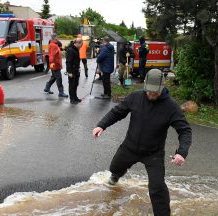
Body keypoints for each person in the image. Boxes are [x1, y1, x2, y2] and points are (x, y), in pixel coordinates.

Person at [92, 69, 192, 216]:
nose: (151, 94)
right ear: (144, 85)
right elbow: (117, 112)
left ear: (162, 86)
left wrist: (181, 152)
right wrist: (102, 125)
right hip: (129, 147)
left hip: (153, 154)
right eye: (148, 91)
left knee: (157, 188)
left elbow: (185, 130)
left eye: (155, 92)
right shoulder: (135, 97)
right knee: (115, 168)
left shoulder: (171, 107)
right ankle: (115, 177)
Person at [43, 33, 68, 97]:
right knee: (59, 78)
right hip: (55, 65)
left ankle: (47, 87)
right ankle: (61, 92)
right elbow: (52, 56)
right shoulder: (54, 46)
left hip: (54, 64)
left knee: (54, 77)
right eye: (57, 37)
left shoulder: (52, 44)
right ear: (56, 37)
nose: (58, 38)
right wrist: (51, 64)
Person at [66, 38, 83, 104]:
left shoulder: (76, 49)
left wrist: (78, 67)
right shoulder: (71, 50)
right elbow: (68, 62)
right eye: (81, 44)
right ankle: (72, 99)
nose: (81, 46)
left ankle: (75, 97)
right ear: (78, 43)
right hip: (72, 71)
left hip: (76, 70)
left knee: (75, 84)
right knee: (72, 85)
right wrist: (69, 72)